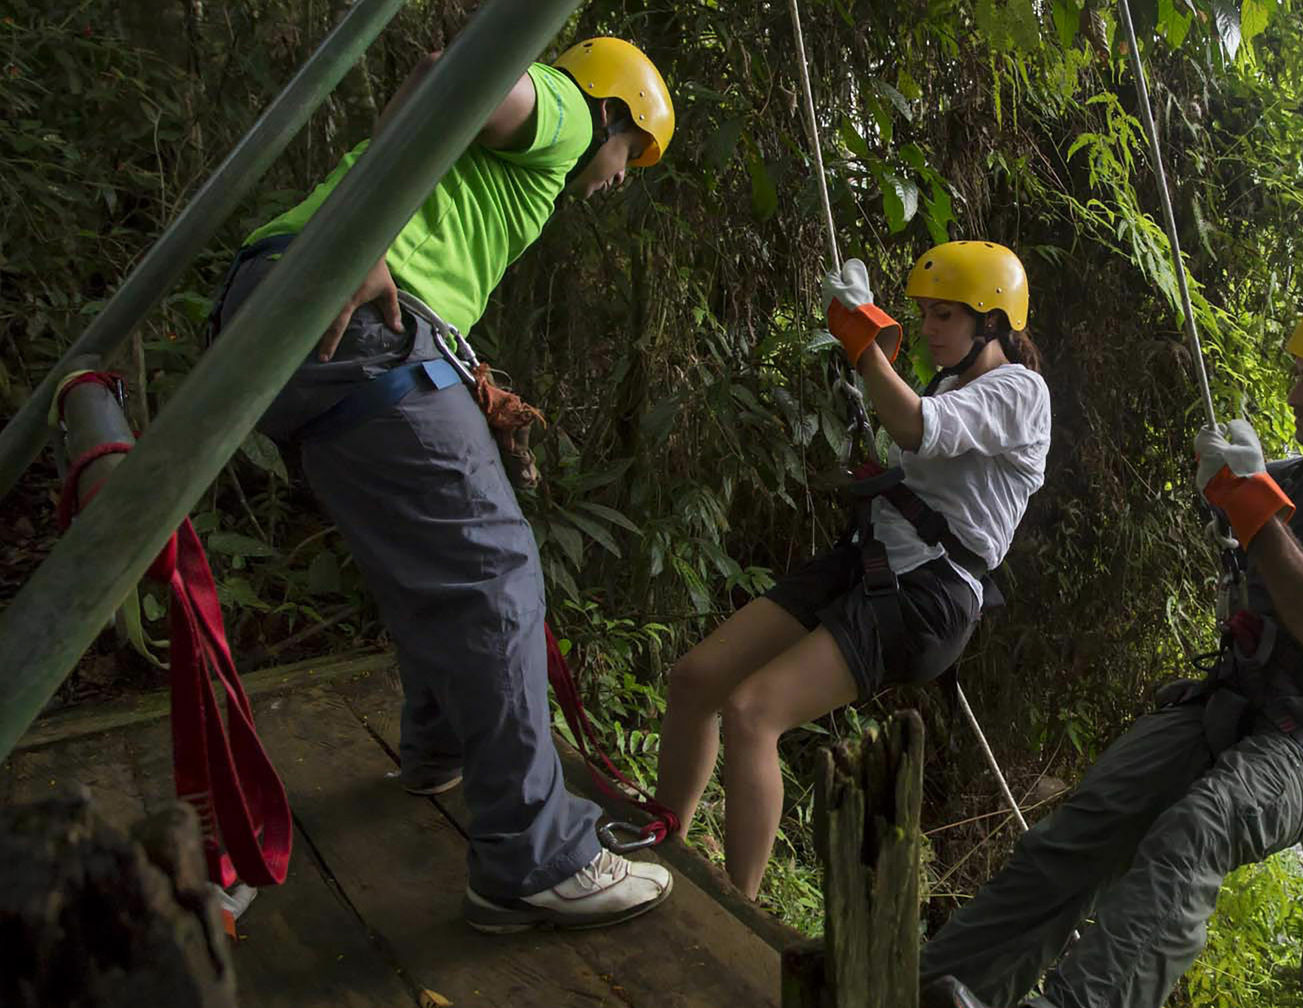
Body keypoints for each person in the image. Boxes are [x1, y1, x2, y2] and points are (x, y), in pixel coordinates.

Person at [214, 36, 679, 932]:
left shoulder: (500, 174)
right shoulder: (569, 110)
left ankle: (435, 747)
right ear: (612, 115)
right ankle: (537, 858)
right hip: (356, 319)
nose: (624, 174)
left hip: (303, 316)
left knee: (433, 562)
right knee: (494, 575)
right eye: (635, 153)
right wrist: (364, 234)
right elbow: (446, 72)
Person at [919, 298, 1303, 1008]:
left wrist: (1255, 512)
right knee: (1083, 828)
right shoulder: (1288, 482)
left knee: (1200, 826)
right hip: (1229, 702)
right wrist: (1234, 503)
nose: (1295, 394)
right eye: (1298, 375)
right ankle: (918, 987)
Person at [655, 241, 1052, 899]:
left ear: (992, 322)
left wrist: (863, 337)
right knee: (697, 679)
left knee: (752, 713)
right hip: (871, 557)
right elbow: (914, 427)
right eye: (923, 314)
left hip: (927, 594)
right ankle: (665, 840)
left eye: (944, 316)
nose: (928, 330)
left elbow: (918, 426)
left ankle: (736, 910)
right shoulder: (952, 381)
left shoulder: (1019, 389)